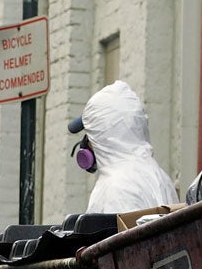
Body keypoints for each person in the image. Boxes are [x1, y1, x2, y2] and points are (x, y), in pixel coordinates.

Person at [68, 80, 178, 213]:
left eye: (90, 135)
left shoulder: (115, 187)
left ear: (102, 137)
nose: (87, 143)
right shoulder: (162, 178)